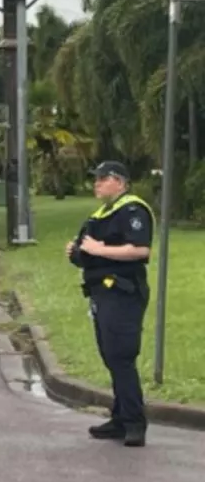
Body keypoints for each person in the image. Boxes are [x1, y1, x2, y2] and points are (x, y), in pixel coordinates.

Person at [65, 160, 155, 447]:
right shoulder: (100, 214)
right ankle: (119, 417)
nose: (96, 184)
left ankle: (134, 423)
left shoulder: (132, 210)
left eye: (102, 179)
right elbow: (83, 251)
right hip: (101, 293)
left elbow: (140, 250)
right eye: (96, 179)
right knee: (110, 356)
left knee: (121, 356)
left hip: (123, 292)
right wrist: (76, 252)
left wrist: (98, 249)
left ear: (119, 181)